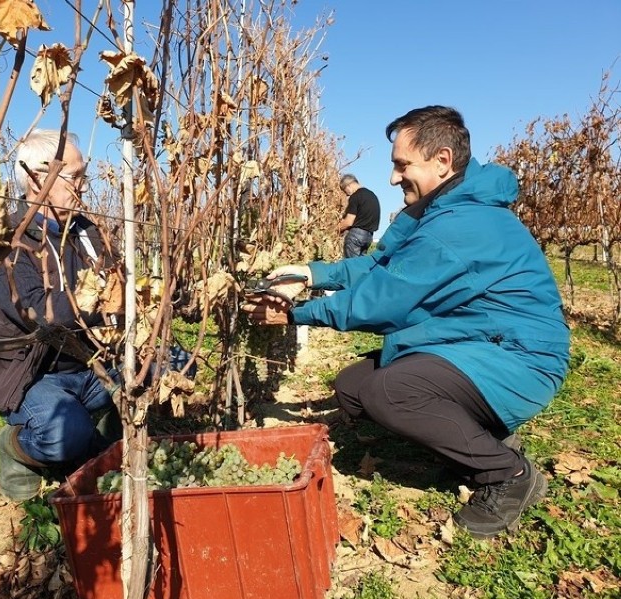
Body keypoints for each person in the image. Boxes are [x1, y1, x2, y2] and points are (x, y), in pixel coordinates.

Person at [242, 106, 570, 540]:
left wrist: (294, 313)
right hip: (476, 343)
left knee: (389, 392)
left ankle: (507, 474)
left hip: (521, 359)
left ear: (442, 161)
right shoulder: (440, 210)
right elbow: (380, 263)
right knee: (354, 388)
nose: (394, 178)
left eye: (401, 165)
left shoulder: (462, 224)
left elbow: (380, 301)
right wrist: (309, 272)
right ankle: (481, 436)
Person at [0, 130, 122, 502]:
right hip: (33, 374)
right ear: (40, 178)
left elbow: (120, 280)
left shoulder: (85, 230)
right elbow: (42, 314)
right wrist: (111, 300)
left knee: (165, 361)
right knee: (62, 435)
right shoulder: (4, 239)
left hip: (89, 362)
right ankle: (14, 446)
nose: (85, 186)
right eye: (76, 176)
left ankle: (96, 432)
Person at [336, 174, 380, 258]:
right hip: (369, 237)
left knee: (351, 265)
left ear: (348, 185)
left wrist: (337, 229)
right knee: (359, 265)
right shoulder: (372, 196)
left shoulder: (355, 196)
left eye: (345, 191)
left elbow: (349, 222)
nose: (346, 194)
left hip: (356, 236)